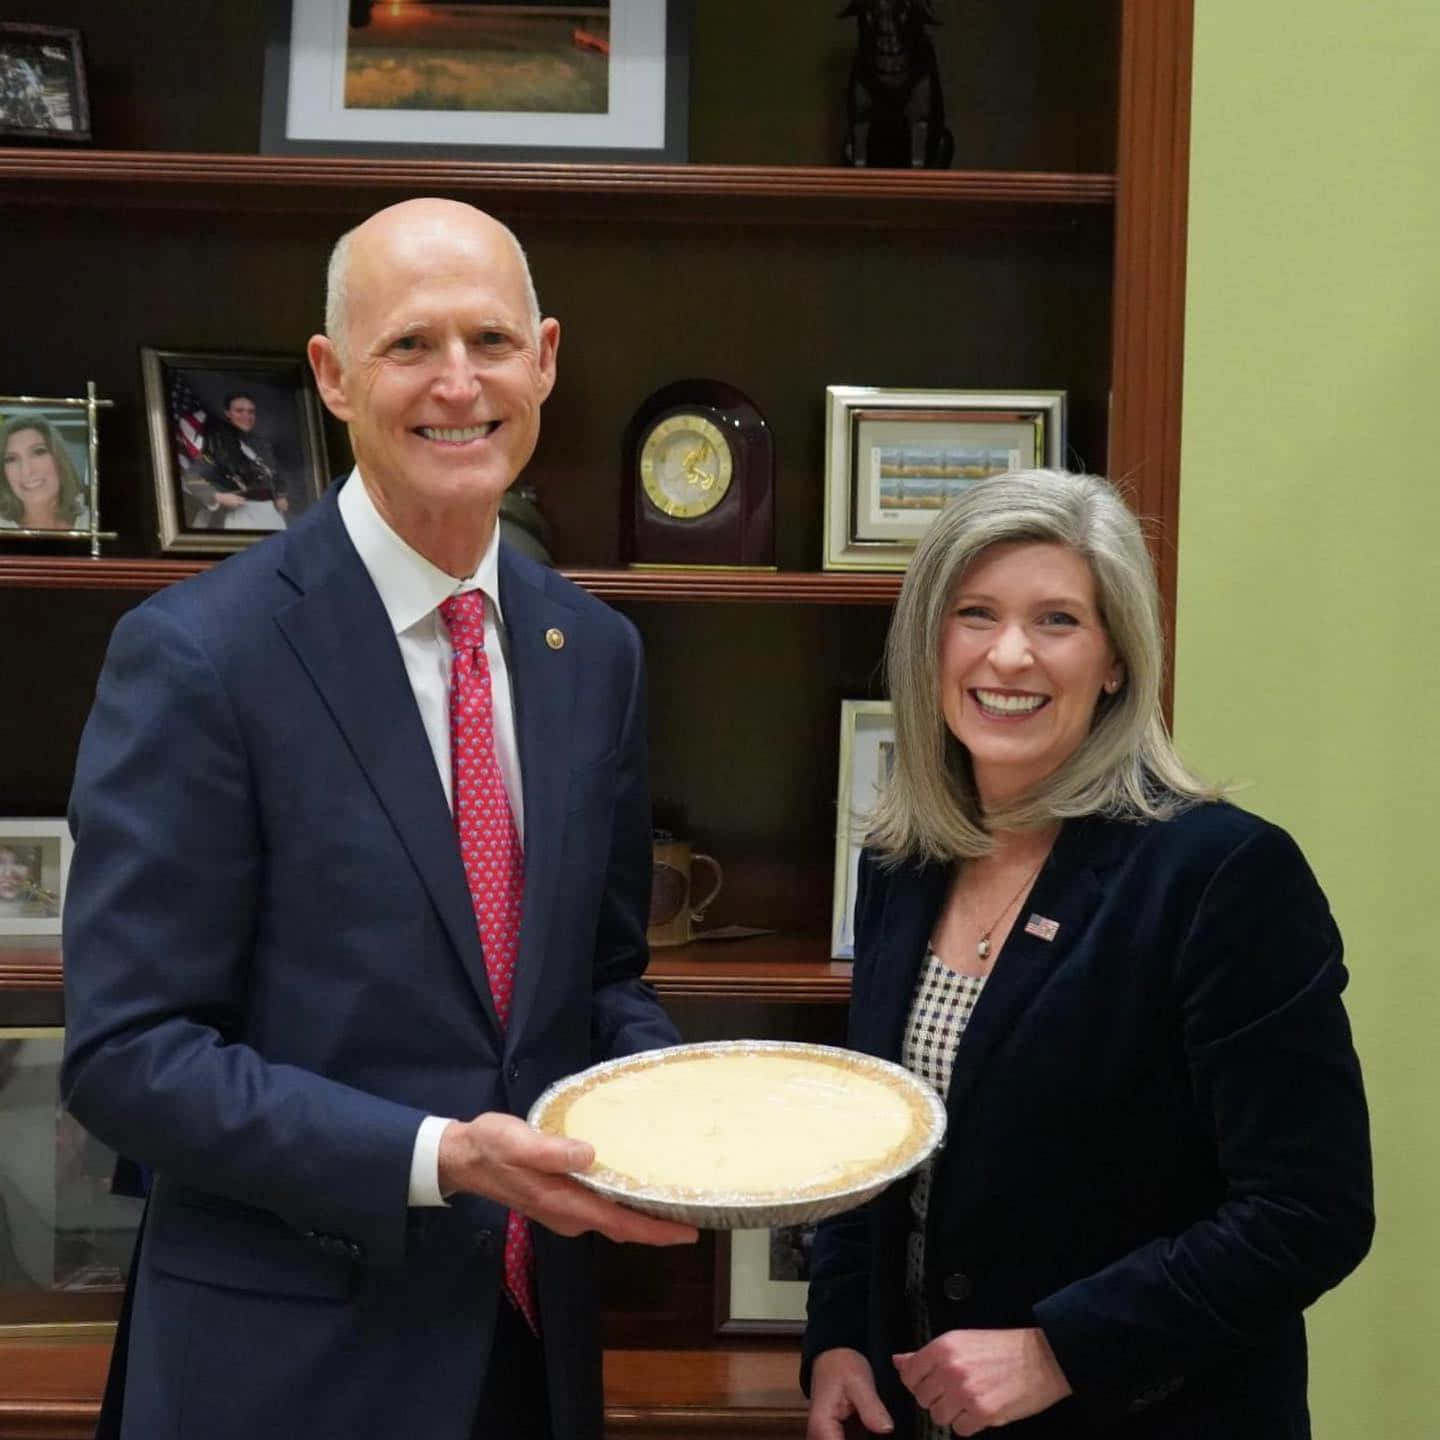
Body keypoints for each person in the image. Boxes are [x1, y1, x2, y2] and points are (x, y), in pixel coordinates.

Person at [60, 196, 696, 1440]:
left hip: (531, 1350)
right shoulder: (198, 657)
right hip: (282, 1374)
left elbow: (597, 980)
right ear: (334, 377)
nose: (459, 383)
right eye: (410, 346)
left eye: (493, 342)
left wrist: (700, 1115)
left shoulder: (594, 653)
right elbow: (129, 1055)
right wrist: (440, 1157)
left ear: (547, 359)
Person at [802, 470, 1372, 1439]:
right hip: (920, 1409)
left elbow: (1309, 1211)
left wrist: (1062, 1348)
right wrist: (839, 1340)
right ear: (929, 643)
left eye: (1058, 620)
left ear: (1115, 661)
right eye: (975, 613)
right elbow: (876, 1139)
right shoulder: (903, 863)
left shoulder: (1223, 874)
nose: (1010, 655)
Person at [179, 390, 290, 531]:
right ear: (228, 414)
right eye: (239, 411)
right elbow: (190, 478)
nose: (246, 416)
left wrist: (281, 495)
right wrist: (218, 497)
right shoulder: (217, 442)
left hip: (272, 513)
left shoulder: (261, 444)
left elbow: (275, 473)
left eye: (251, 412)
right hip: (241, 515)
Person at [0, 414, 89, 530]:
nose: (26, 471)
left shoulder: (92, 523)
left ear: (59, 460)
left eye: (38, 452)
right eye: (11, 459)